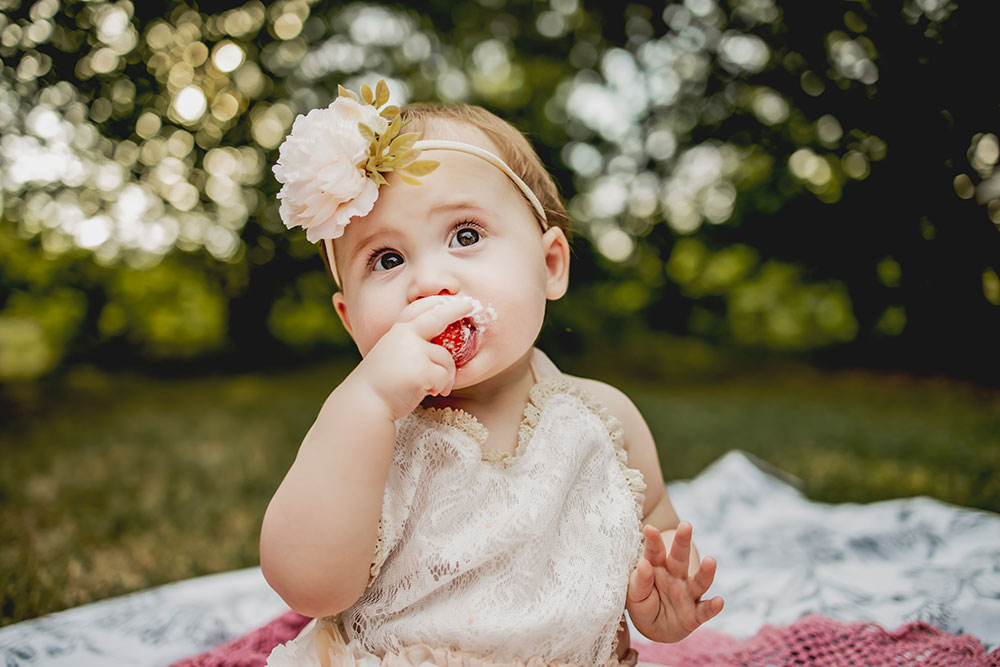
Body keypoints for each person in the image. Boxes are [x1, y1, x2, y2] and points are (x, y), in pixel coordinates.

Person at [259, 81, 724, 667]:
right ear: (351, 321)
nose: (430, 282)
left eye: (467, 235)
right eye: (387, 259)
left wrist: (660, 604)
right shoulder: (367, 433)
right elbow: (307, 585)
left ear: (551, 265)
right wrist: (368, 402)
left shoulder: (605, 420)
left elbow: (649, 535)